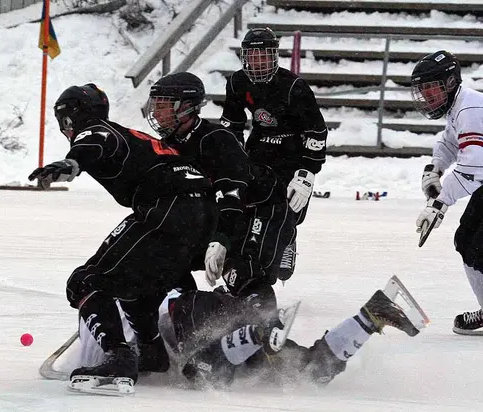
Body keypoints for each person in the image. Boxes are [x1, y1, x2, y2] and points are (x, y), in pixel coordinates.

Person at [28, 83, 218, 385]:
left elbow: (93, 144)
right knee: (135, 288)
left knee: (84, 281)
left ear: (69, 118)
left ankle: (118, 358)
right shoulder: (126, 134)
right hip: (202, 213)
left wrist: (70, 164)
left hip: (168, 207)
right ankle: (151, 351)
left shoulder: (95, 130)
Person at [70, 281, 424, 390]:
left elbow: (134, 358)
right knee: (312, 373)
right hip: (220, 310)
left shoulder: (113, 311)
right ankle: (371, 315)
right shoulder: (125, 292)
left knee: (202, 371)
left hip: (194, 314)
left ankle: (257, 333)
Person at [146, 71, 295, 309]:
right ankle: (186, 313)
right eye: (155, 106)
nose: (155, 113)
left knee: (241, 273)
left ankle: (264, 325)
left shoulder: (217, 139)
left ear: (185, 107)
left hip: (262, 209)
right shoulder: (169, 147)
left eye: (162, 106)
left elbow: (232, 193)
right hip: (223, 215)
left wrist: (221, 239)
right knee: (165, 261)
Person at [219, 27, 328, 282]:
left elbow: (317, 133)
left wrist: (307, 173)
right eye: (252, 56)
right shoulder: (237, 82)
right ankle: (244, 263)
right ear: (244, 57)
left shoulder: (294, 88)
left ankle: (288, 239)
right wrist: (231, 158)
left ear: (274, 57)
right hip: (259, 149)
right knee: (247, 204)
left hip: (293, 153)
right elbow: (231, 126)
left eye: (263, 56)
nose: (257, 63)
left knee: (290, 207)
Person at [411, 50, 483, 335]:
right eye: (422, 89)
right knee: (468, 240)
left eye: (430, 88)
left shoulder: (470, 109)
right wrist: (436, 168)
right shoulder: (460, 106)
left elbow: (473, 167)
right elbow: (450, 142)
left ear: (451, 83)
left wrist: (440, 203)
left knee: (478, 243)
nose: (426, 96)